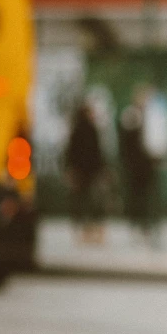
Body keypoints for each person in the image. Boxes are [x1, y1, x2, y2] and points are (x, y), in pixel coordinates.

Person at [118, 94, 161, 248]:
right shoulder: (131, 117)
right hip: (137, 167)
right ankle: (138, 225)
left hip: (145, 167)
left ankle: (145, 226)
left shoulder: (151, 118)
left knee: (145, 198)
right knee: (137, 197)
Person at [64, 102, 106, 244]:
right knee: (91, 201)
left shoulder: (76, 130)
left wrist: (71, 168)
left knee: (82, 200)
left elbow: (70, 152)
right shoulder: (90, 130)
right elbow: (97, 152)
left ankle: (85, 230)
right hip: (90, 170)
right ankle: (91, 230)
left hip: (82, 170)